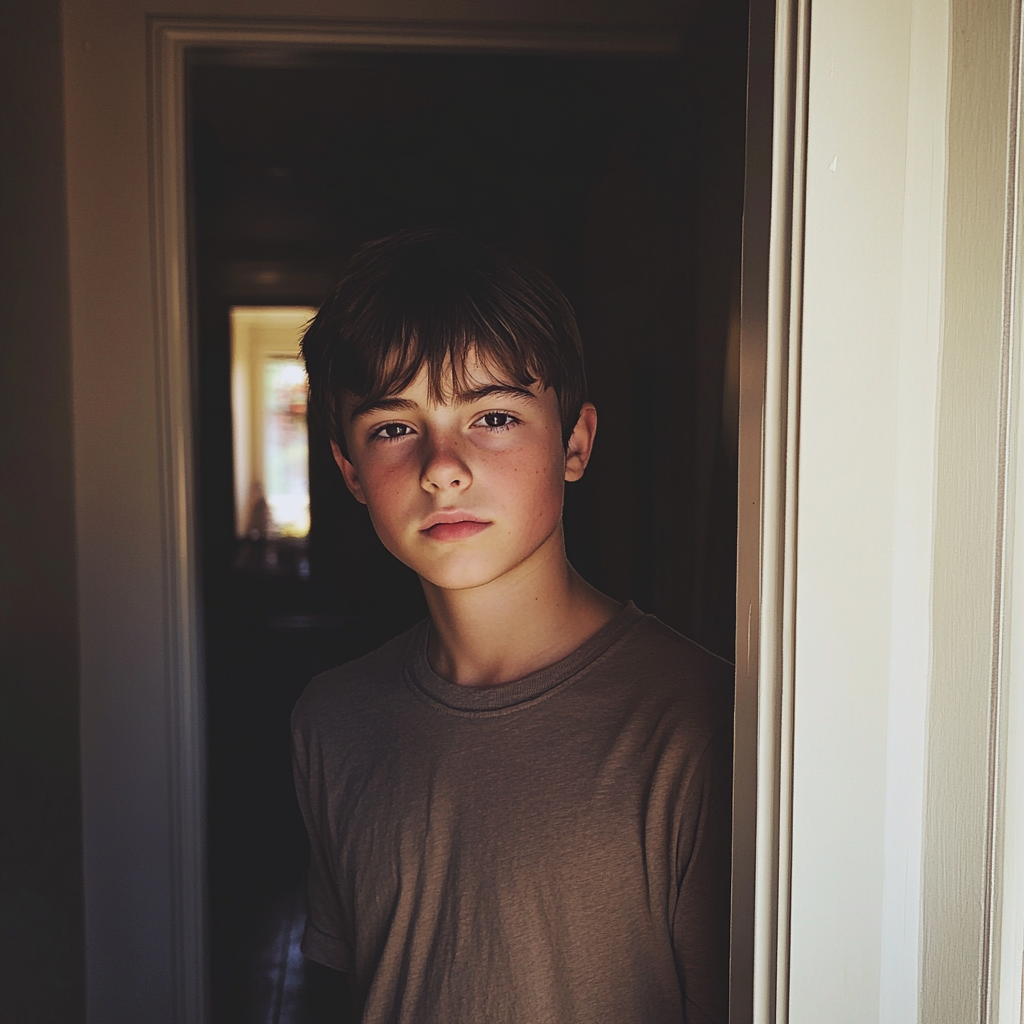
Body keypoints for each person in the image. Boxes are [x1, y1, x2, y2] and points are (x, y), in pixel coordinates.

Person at [292, 229, 733, 1024]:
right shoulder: (332, 719)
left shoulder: (702, 723)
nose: (441, 465)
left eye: (491, 416)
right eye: (394, 428)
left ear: (576, 441)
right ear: (350, 471)